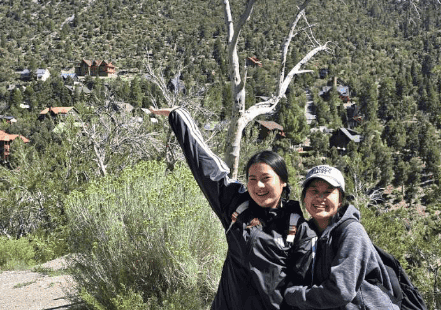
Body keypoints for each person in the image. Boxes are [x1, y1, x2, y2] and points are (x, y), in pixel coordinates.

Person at [160, 107, 316, 310]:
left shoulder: (298, 228)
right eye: (252, 179)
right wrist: (177, 116)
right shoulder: (237, 207)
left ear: (283, 181)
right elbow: (204, 165)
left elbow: (307, 290)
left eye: (266, 179)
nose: (258, 186)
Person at [284, 165, 400, 310]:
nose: (320, 198)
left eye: (328, 192)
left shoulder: (351, 231)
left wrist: (293, 295)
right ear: (304, 196)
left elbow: (340, 291)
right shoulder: (306, 233)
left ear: (340, 200)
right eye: (314, 191)